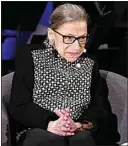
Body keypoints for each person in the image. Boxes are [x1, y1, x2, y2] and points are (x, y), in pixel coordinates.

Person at [8, 3, 116, 146]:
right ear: (52, 34)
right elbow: (19, 105)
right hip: (39, 128)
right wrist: (50, 123)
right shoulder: (30, 56)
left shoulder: (90, 62)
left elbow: (99, 106)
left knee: (84, 140)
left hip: (78, 130)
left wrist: (82, 125)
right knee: (47, 140)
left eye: (82, 38)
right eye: (69, 38)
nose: (77, 47)